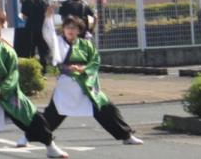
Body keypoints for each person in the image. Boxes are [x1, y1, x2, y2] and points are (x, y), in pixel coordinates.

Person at [0, 0, 68, 159]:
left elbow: (13, 75)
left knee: (32, 117)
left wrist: (1, 89)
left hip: (4, 91)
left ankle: (50, 145)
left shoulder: (7, 51)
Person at [42, 12, 143, 146]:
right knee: (53, 115)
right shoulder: (58, 43)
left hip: (86, 85)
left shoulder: (86, 45)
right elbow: (48, 34)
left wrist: (84, 69)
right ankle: (30, 135)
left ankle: (126, 135)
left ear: (79, 30)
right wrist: (48, 17)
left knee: (106, 108)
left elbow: (95, 61)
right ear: (63, 29)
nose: (70, 30)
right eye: (67, 27)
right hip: (66, 87)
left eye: (73, 28)